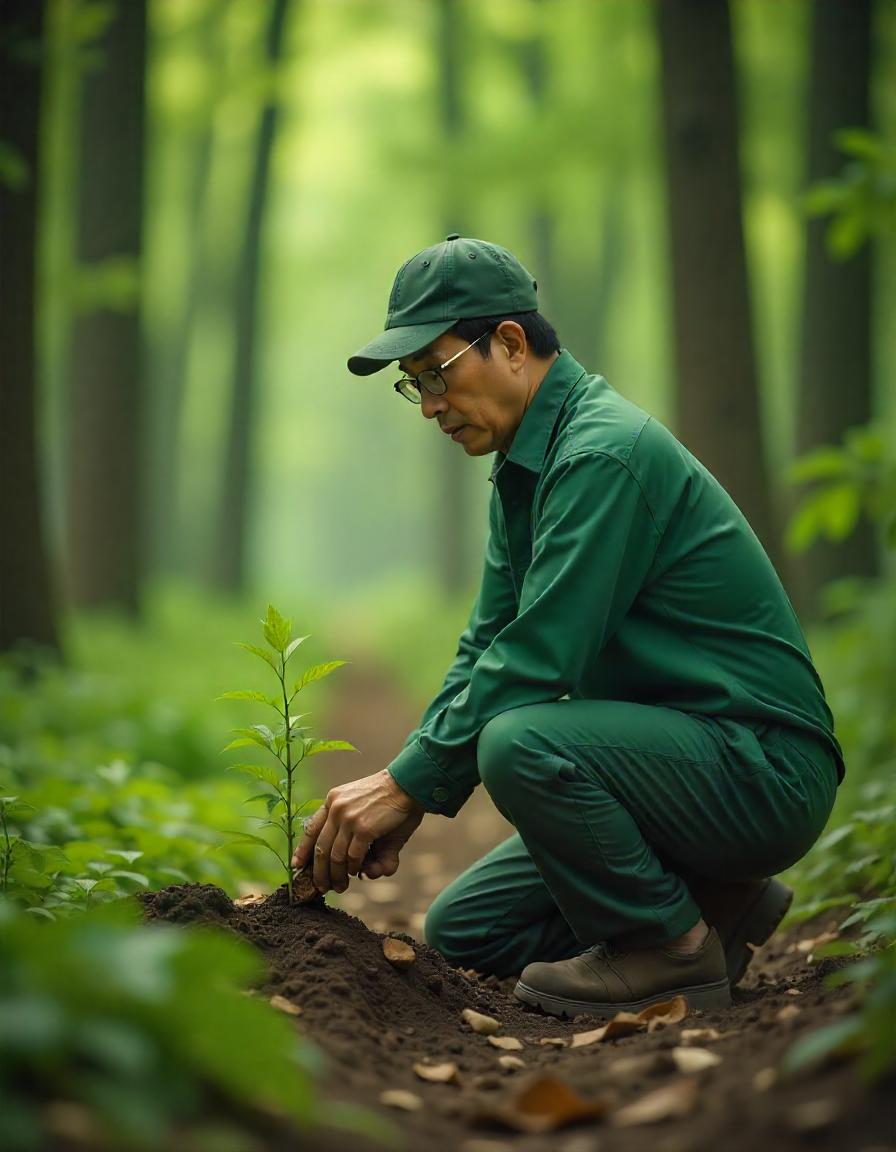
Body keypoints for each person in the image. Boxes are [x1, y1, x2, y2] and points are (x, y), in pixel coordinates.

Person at [293, 234, 843, 1018]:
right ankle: (718, 907)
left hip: (760, 769)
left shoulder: (600, 454)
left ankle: (668, 950)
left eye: (437, 375)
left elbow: (538, 659)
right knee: (466, 928)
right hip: (680, 765)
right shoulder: (526, 467)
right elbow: (486, 644)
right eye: (412, 386)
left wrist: (406, 785)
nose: (429, 407)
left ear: (510, 344)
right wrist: (408, 780)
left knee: (519, 739)